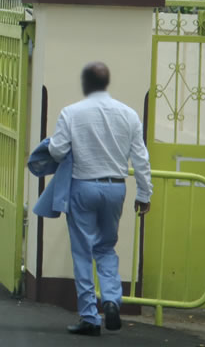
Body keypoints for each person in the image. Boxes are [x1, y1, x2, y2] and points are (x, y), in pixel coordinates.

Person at [47, 62, 153, 336]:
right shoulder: (128, 114)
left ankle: (89, 317)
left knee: (82, 251)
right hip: (116, 188)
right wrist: (144, 193)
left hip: (83, 187)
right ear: (106, 83)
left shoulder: (71, 113)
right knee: (106, 247)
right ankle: (111, 299)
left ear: (85, 84)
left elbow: (57, 151)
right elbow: (141, 158)